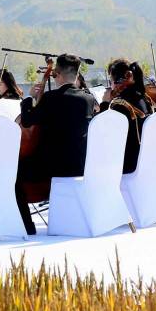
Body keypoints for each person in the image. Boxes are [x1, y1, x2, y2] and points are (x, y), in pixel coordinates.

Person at [15, 54, 96, 235]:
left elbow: (27, 121)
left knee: (13, 172)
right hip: (81, 164)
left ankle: (27, 226)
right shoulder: (88, 99)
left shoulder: (51, 98)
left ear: (57, 74)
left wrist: (29, 98)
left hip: (54, 166)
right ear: (76, 74)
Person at [100, 59, 153, 174]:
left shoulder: (120, 104)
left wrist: (104, 104)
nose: (111, 86)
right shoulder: (144, 98)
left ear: (119, 81)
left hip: (128, 165)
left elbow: (103, 133)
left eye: (111, 81)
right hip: (145, 161)